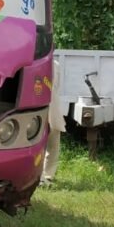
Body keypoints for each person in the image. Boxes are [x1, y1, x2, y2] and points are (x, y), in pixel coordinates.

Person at [41, 56, 64, 185]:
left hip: (53, 105)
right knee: (38, 144)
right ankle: (39, 176)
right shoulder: (33, 63)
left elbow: (56, 86)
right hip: (38, 106)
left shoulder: (55, 65)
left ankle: (48, 175)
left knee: (53, 143)